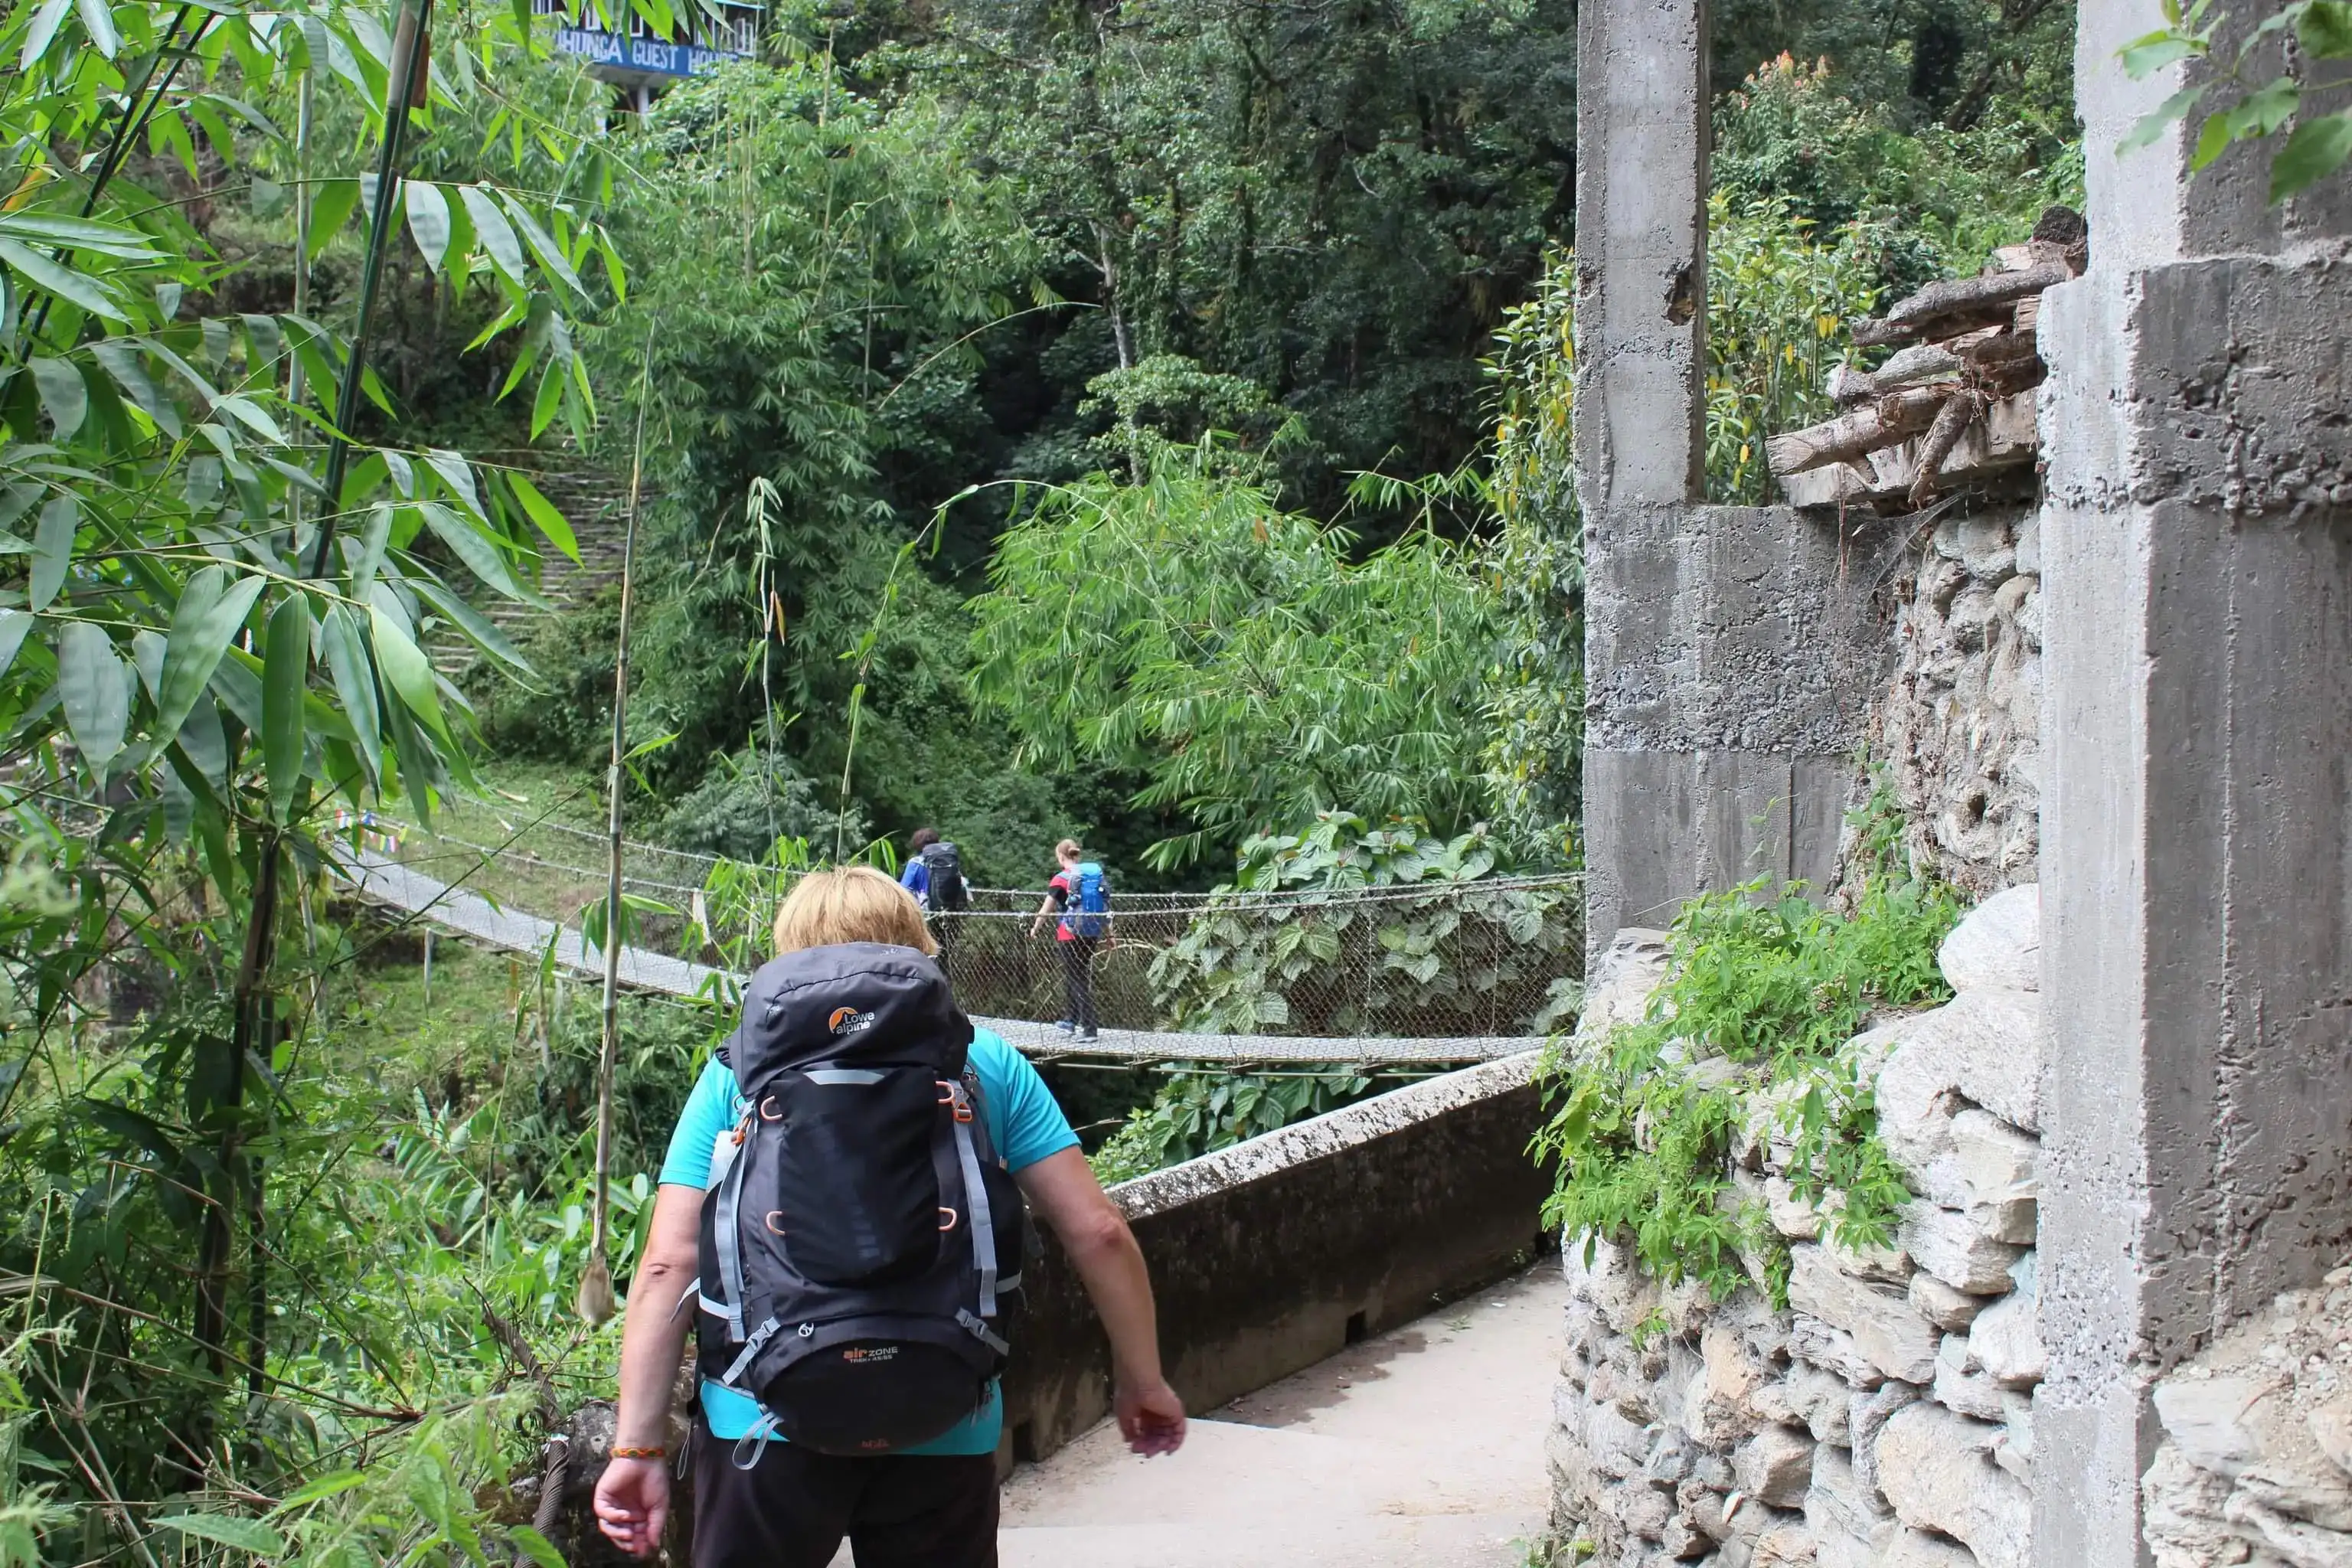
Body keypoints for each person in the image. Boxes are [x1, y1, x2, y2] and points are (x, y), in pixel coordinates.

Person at [593, 867, 1185, 1567]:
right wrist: (1143, 1380)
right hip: (944, 1411)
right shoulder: (983, 1060)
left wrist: (636, 1448)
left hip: (764, 1419)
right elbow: (1099, 1231)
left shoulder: (737, 1072)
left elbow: (668, 1265)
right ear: (917, 943)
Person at [1029, 838, 1102, 1043]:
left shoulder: (1060, 879)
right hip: (1092, 933)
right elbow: (1104, 905)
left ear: (1061, 857)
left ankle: (1089, 1029)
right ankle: (1070, 1020)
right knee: (1075, 975)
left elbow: (1046, 909)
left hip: (1069, 934)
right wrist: (1110, 934)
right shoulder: (1092, 876)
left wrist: (1036, 927)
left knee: (1076, 978)